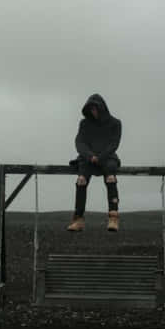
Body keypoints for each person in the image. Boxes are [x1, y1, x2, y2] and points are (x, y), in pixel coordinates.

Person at [68, 93, 122, 232]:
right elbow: (80, 142)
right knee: (81, 180)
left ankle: (113, 217)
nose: (94, 112)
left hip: (108, 157)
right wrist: (90, 156)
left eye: (96, 108)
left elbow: (113, 144)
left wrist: (101, 157)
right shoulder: (84, 124)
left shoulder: (115, 123)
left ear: (102, 108)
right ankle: (78, 219)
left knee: (111, 177)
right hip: (87, 158)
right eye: (91, 109)